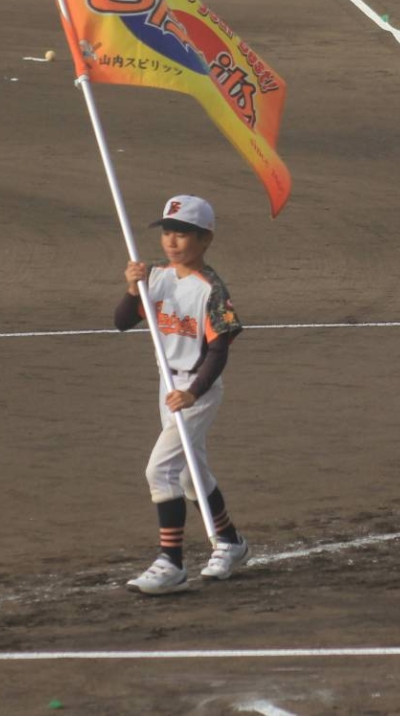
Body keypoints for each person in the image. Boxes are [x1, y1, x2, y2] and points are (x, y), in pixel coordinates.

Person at [115, 195, 250, 594]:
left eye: (183, 234)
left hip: (196, 390)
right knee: (192, 474)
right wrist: (132, 289)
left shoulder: (212, 290)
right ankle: (230, 542)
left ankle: (171, 562)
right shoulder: (155, 277)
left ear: (205, 239)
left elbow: (219, 350)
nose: (172, 241)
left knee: (160, 470)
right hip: (168, 385)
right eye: (167, 233)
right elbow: (121, 322)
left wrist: (192, 393)